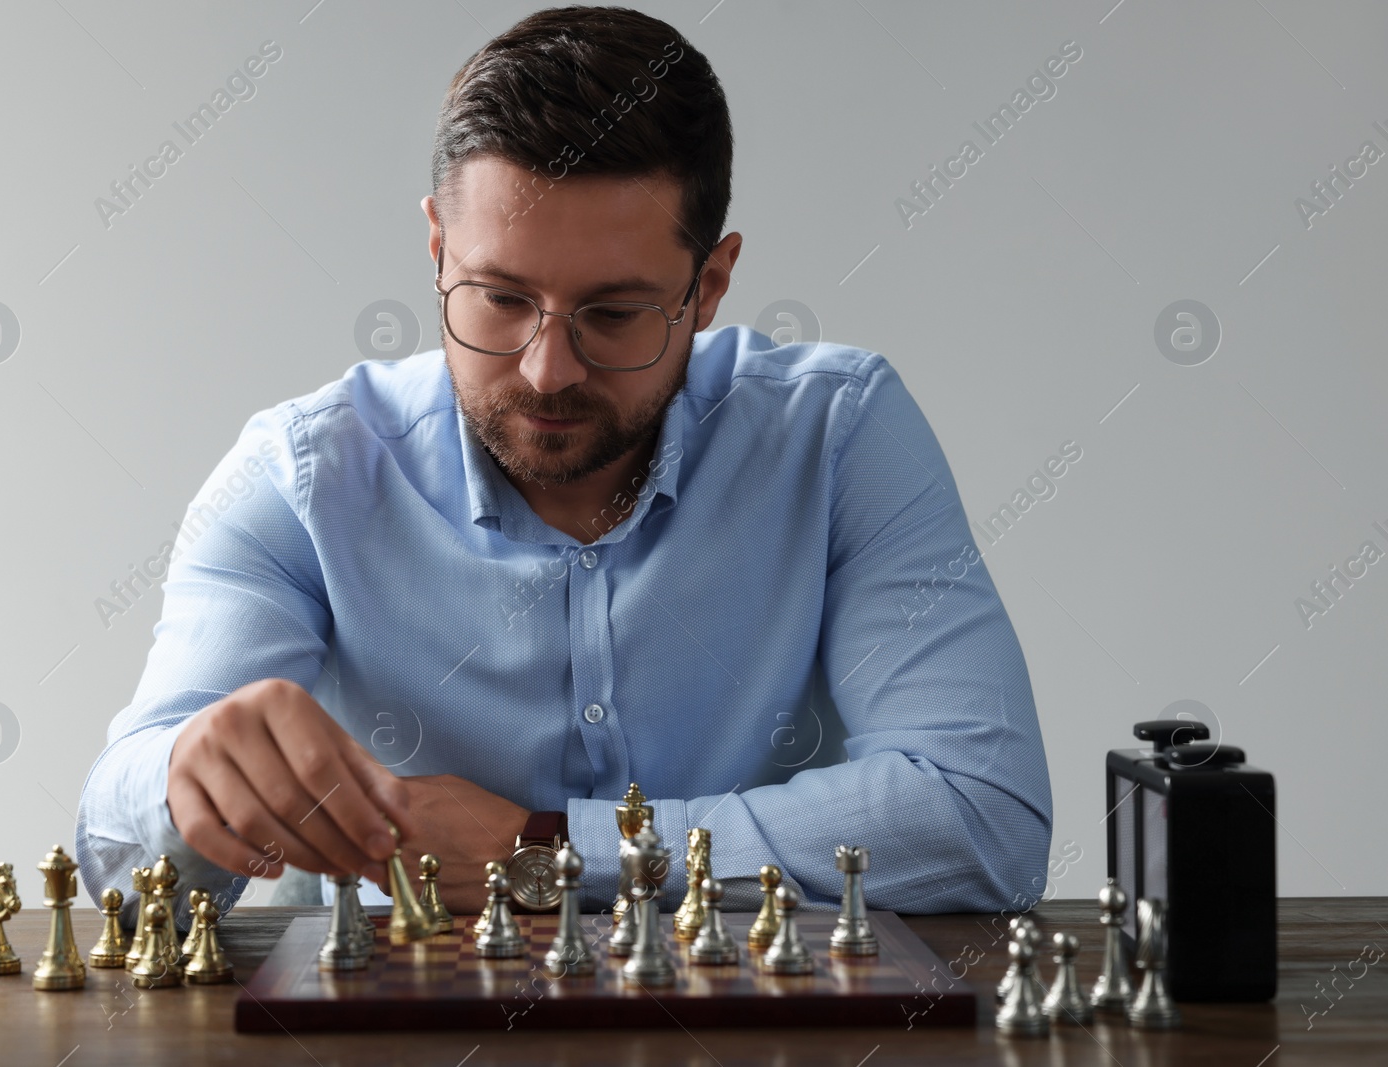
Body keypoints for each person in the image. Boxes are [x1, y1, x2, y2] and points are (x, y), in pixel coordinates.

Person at [74, 5, 1052, 928]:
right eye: (499, 299)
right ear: (435, 247)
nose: (547, 369)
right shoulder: (299, 477)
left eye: (613, 313)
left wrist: (538, 847)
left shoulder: (838, 437)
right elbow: (118, 868)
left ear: (708, 286)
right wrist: (186, 777)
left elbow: (981, 817)